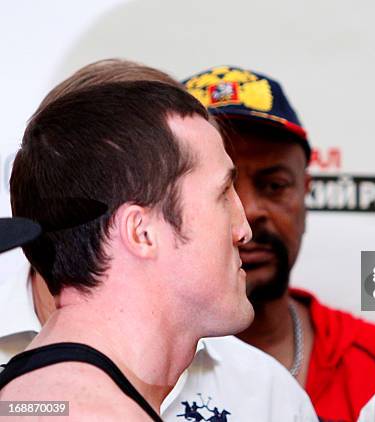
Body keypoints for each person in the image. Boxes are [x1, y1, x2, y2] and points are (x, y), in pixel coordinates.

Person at [0, 59, 317, 421]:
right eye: (222, 194)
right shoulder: (62, 404)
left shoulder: (268, 391)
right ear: (141, 231)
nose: (244, 228)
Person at [183, 65, 375, 422]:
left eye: (274, 185)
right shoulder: (139, 364)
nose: (248, 212)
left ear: (305, 195)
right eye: (221, 190)